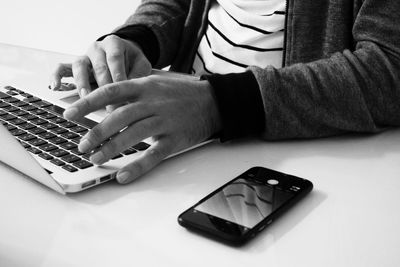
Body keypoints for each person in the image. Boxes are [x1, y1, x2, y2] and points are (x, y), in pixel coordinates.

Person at [50, 0, 400, 184]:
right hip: (177, 132)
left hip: (289, 161)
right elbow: (175, 4)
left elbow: (389, 69)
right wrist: (135, 41)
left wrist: (217, 105)